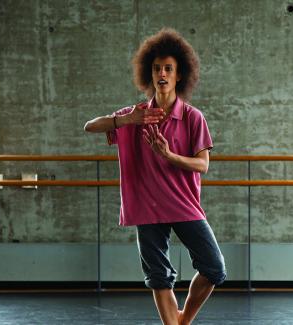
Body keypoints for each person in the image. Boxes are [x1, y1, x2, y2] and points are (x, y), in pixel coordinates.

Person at [84, 28, 226, 325]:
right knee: (159, 277)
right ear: (149, 74)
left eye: (168, 69)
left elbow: (203, 166)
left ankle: (183, 320)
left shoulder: (192, 117)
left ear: (179, 76)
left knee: (214, 267)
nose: (162, 73)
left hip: (183, 204)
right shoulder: (135, 113)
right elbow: (90, 126)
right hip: (147, 207)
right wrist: (126, 120)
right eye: (157, 68)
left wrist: (169, 155)